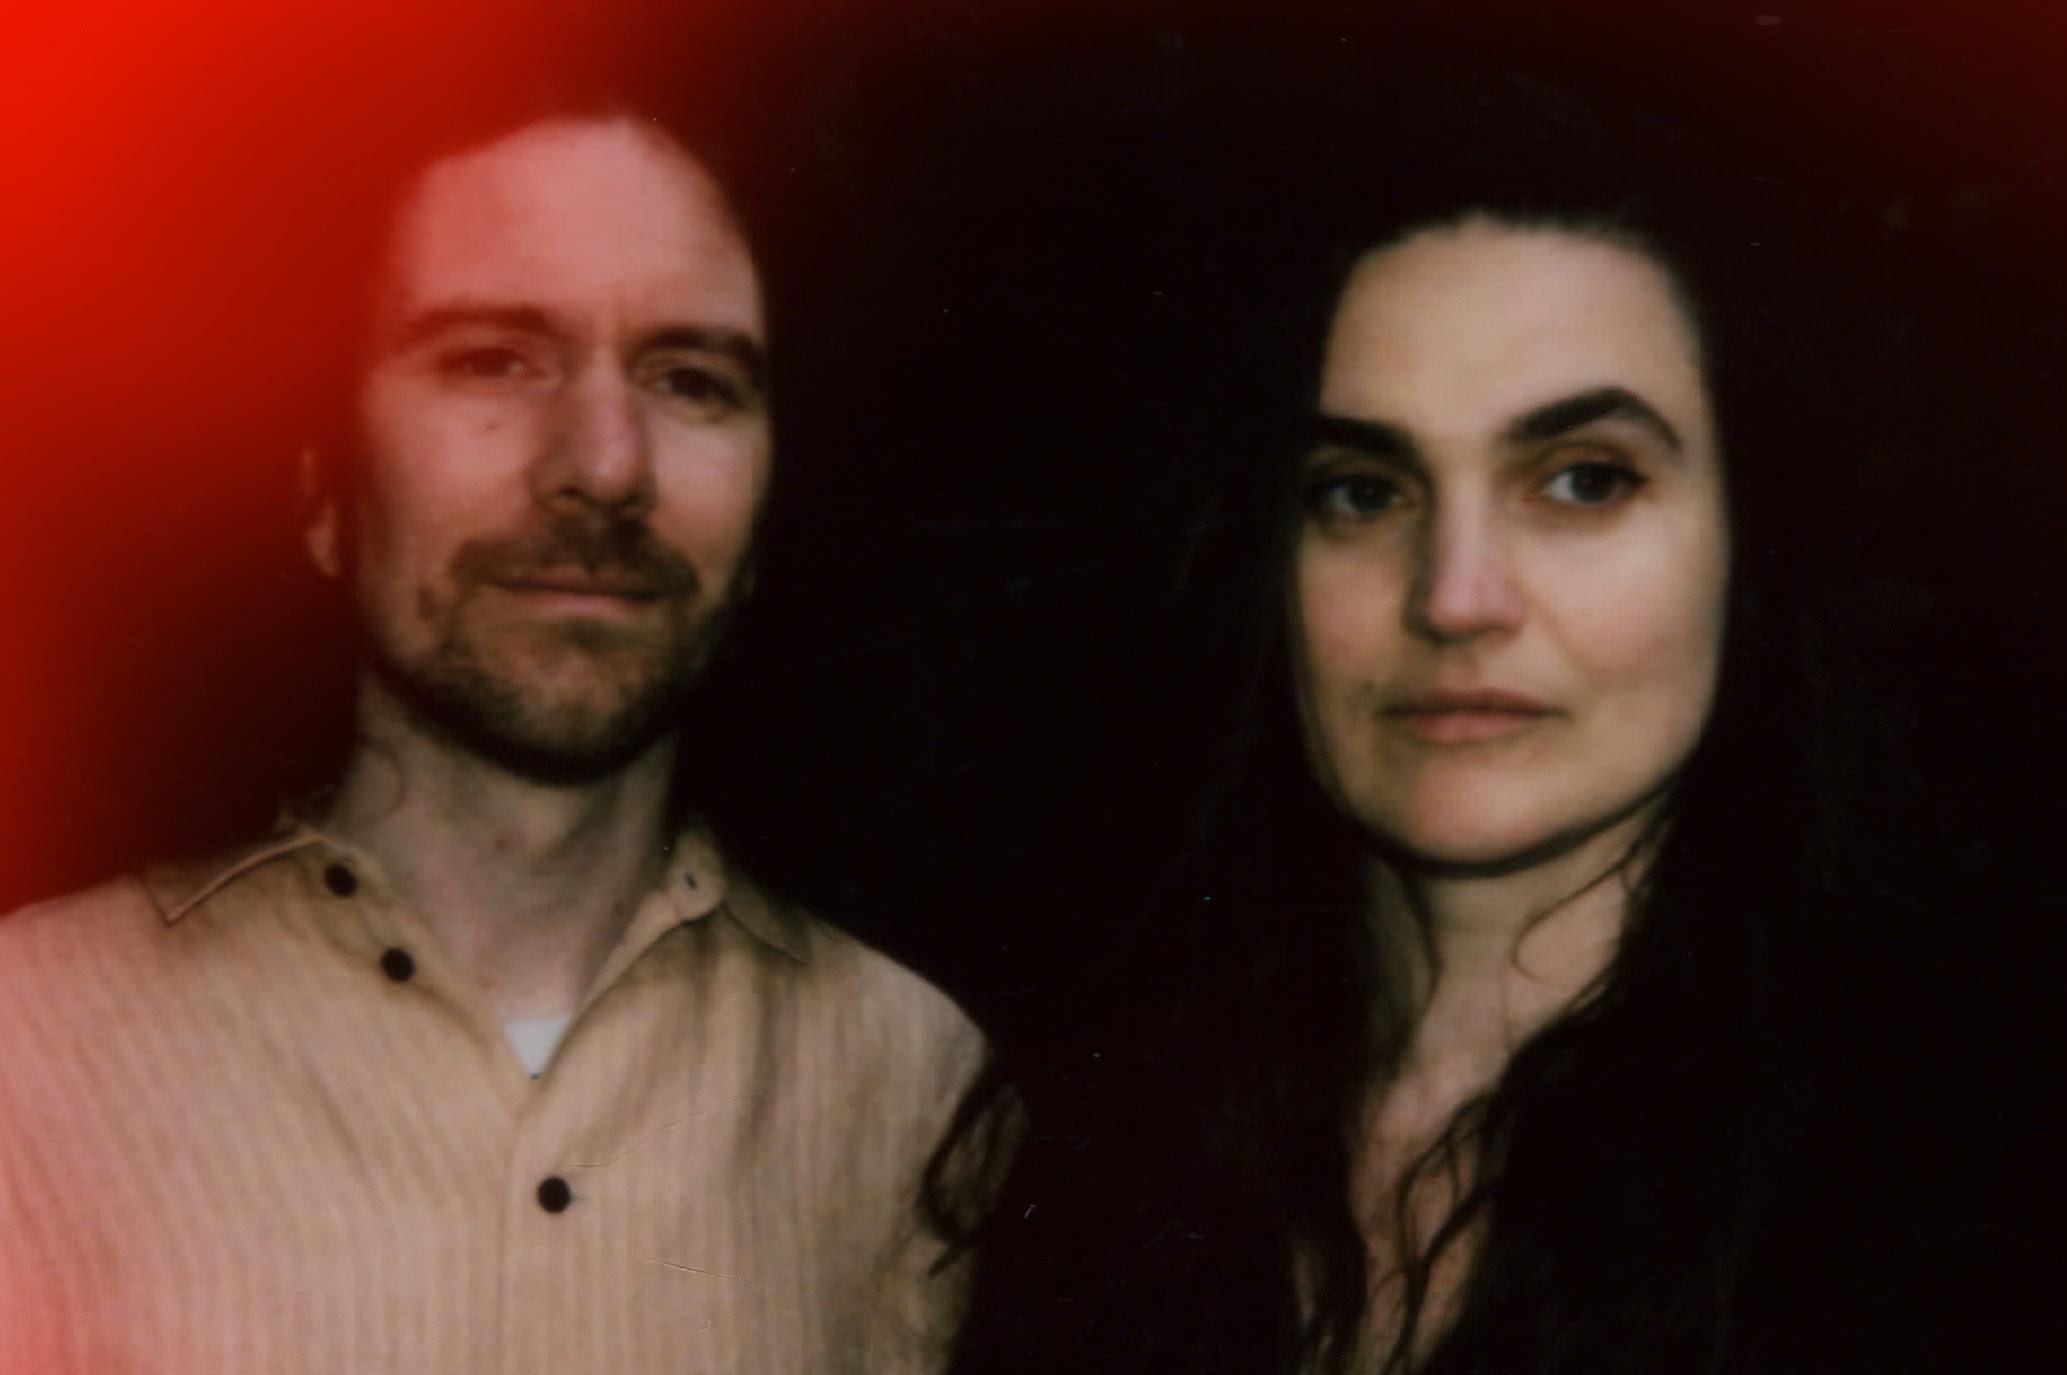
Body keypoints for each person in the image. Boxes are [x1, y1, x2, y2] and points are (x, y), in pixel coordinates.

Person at [933, 73, 1971, 1375]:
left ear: (1750, 548)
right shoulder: (1077, 1147)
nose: (1453, 596)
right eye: (1363, 491)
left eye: (1581, 480)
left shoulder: (1955, 1193)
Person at [0, 89, 979, 1374]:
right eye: (493, 360)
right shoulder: (27, 1058)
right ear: (325, 493)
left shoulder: (922, 1093)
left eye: (690, 379)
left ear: (763, 525)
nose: (607, 463)